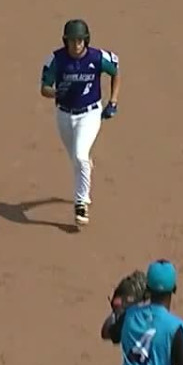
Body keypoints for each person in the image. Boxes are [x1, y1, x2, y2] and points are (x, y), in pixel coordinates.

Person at [39, 19, 120, 226]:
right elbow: (44, 88)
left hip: (90, 113)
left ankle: (81, 203)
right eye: (72, 41)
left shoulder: (97, 57)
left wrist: (113, 101)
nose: (76, 45)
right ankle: (85, 166)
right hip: (64, 115)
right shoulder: (56, 60)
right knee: (76, 159)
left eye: (80, 41)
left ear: (86, 40)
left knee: (80, 157)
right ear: (65, 41)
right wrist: (56, 92)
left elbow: (115, 72)